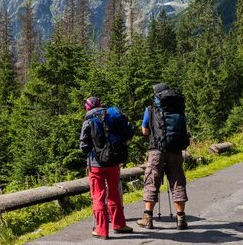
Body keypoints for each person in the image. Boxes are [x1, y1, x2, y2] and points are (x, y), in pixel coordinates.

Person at [80, 96, 135, 239]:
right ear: (100, 104)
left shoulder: (88, 120)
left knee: (98, 195)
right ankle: (119, 225)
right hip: (113, 162)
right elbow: (128, 132)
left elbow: (84, 146)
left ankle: (102, 230)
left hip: (96, 165)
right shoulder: (111, 115)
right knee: (114, 193)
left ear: (87, 107)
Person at [137, 83, 189, 230]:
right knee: (177, 180)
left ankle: (147, 218)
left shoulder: (151, 109)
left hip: (156, 150)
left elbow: (145, 131)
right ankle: (181, 219)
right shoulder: (179, 107)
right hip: (175, 149)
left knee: (152, 181)